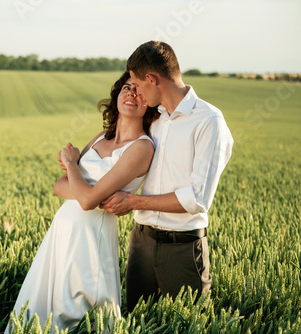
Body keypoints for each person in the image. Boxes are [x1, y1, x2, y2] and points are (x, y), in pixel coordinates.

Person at [5, 71, 159, 333]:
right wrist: (84, 183)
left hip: (90, 240)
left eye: (139, 90)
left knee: (77, 315)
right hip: (61, 235)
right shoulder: (100, 138)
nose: (131, 93)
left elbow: (86, 201)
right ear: (117, 95)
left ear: (150, 103)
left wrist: (71, 164)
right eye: (126, 87)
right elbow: (58, 186)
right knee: (39, 311)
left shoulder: (142, 147)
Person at [99, 41, 234, 311]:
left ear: (152, 79)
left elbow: (197, 199)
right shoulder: (152, 118)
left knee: (188, 325)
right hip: (141, 242)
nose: (135, 92)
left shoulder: (209, 121)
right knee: (138, 321)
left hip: (182, 248)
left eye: (136, 84)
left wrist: (133, 202)